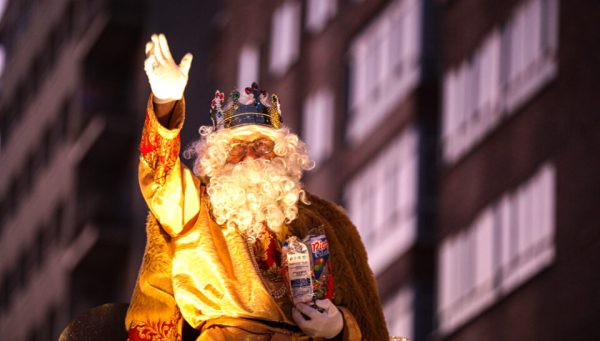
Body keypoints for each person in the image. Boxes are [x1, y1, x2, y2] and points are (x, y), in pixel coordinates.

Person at [125, 33, 390, 341]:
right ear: (217, 159)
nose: (250, 156)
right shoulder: (195, 206)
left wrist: (340, 327)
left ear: (284, 154)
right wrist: (166, 102)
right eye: (236, 148)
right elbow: (159, 177)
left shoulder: (325, 222)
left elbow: (362, 312)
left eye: (262, 145)